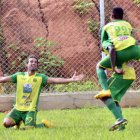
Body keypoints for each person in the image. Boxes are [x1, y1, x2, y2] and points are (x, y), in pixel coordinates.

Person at [1, 55, 84, 129]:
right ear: (27, 64)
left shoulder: (41, 78)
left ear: (37, 66)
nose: (33, 63)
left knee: (29, 129)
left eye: (35, 62)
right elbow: (3, 79)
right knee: (6, 124)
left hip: (30, 109)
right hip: (17, 109)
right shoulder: (19, 76)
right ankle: (18, 121)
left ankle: (44, 124)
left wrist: (71, 79)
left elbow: (55, 80)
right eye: (31, 61)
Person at [94, 6, 140, 99]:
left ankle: (105, 89)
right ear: (123, 16)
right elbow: (132, 40)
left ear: (111, 15)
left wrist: (113, 67)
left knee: (99, 66)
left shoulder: (106, 27)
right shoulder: (127, 24)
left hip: (119, 53)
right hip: (135, 49)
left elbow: (109, 47)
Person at [99, 62, 135, 131]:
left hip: (122, 74)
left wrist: (114, 68)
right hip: (129, 74)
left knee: (105, 96)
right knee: (114, 100)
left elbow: (113, 52)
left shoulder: (109, 50)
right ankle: (121, 127)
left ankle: (119, 119)